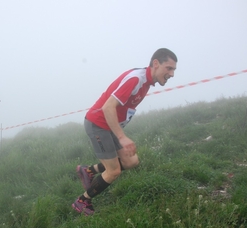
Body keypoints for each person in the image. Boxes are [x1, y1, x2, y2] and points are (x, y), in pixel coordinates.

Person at [72, 48, 177, 216]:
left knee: (131, 161)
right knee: (113, 171)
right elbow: (108, 107)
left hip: (110, 125)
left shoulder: (147, 81)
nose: (171, 74)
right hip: (98, 124)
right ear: (156, 64)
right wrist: (122, 137)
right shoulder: (136, 79)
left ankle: (88, 170)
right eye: (169, 68)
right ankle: (82, 200)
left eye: (173, 70)